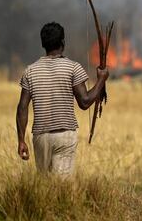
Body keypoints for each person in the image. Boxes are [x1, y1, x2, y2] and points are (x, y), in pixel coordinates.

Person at [15, 22, 109, 175]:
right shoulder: (73, 67)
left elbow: (22, 107)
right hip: (64, 135)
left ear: (43, 44)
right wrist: (101, 80)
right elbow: (85, 102)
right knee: (62, 188)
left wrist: (20, 140)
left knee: (45, 186)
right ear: (63, 43)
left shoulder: (30, 71)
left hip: (40, 137)